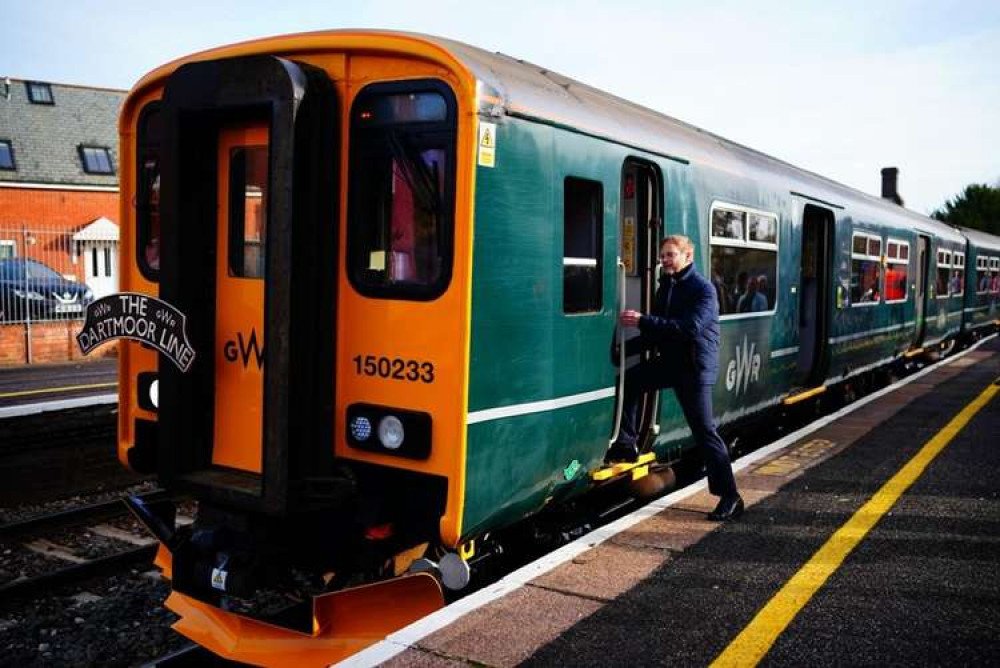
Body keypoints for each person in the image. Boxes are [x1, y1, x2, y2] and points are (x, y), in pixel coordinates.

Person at [610, 235, 743, 521]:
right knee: (630, 379)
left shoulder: (703, 290)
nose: (665, 260)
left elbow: (689, 328)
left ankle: (731, 497)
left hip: (695, 369)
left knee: (705, 432)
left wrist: (643, 320)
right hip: (671, 363)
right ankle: (627, 443)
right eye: (663, 255)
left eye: (671, 255)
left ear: (688, 257)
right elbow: (656, 332)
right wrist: (623, 350)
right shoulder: (666, 288)